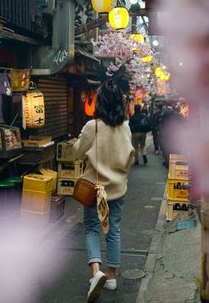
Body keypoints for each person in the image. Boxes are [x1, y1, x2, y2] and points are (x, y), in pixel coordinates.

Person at [73, 80, 134, 303]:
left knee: (91, 227)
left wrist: (77, 143)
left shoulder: (93, 127)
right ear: (119, 103)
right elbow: (130, 157)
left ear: (99, 103)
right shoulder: (125, 127)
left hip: (94, 190)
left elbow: (78, 153)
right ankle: (111, 277)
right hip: (117, 189)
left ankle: (95, 271)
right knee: (113, 230)